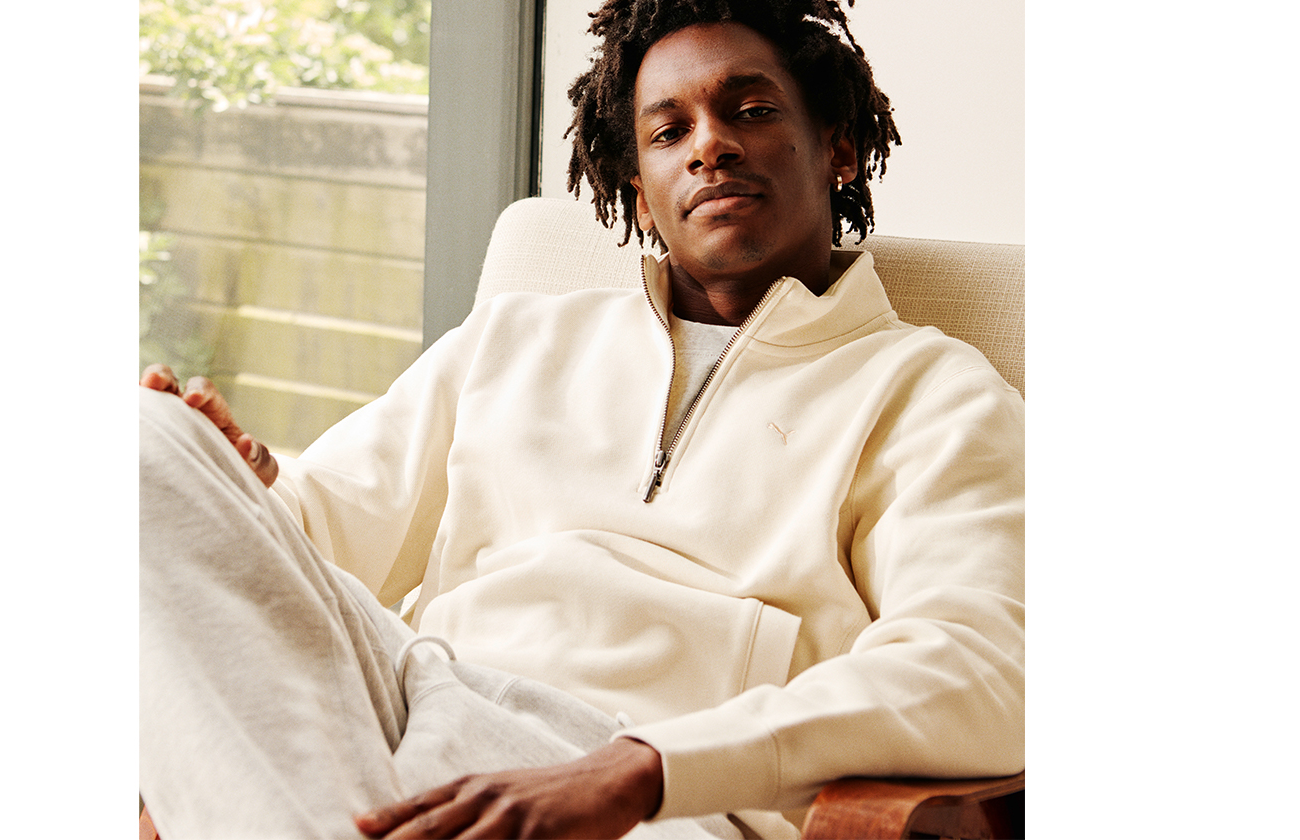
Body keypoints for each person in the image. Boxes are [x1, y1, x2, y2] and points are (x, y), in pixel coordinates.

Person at [139, 1, 1024, 837]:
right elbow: (314, 542)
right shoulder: (515, 338)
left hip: (656, 798)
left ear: (838, 147)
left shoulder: (931, 393)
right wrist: (247, 493)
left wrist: (643, 767)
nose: (710, 145)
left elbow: (982, 666)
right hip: (423, 712)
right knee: (145, 440)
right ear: (640, 193)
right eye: (668, 132)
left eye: (751, 111)